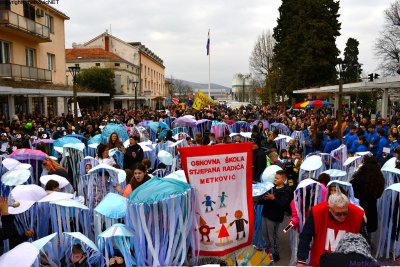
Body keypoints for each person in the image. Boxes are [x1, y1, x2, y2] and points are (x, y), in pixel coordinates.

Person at [296, 192, 368, 267]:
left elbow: (365, 242)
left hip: (347, 263)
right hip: (321, 262)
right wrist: (301, 261)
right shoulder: (317, 213)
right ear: (329, 208)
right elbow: (305, 237)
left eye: (345, 213)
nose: (343, 216)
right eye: (338, 214)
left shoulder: (358, 215)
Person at [258, 170, 291, 262]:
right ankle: (269, 249)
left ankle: (276, 254)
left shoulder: (286, 191)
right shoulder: (271, 187)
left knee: (273, 235)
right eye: (275, 177)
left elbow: (283, 205)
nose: (275, 179)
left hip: (275, 217)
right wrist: (258, 201)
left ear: (284, 180)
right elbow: (266, 198)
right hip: (266, 214)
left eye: (277, 178)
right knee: (265, 233)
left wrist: (273, 199)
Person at [351, 155, 385, 236]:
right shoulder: (379, 178)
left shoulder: (359, 178)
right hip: (371, 207)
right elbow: (378, 194)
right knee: (368, 233)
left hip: (359, 207)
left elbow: (352, 191)